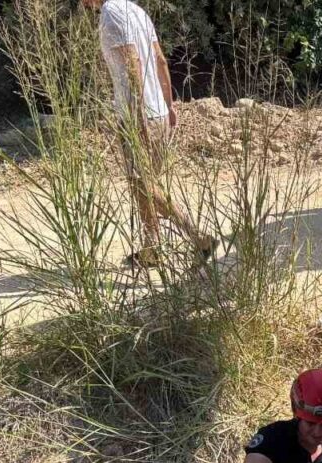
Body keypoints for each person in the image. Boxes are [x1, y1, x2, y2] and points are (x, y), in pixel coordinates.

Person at [83, 0, 214, 267]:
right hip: (158, 113)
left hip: (139, 116)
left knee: (145, 187)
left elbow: (133, 62)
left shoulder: (110, 13)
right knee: (142, 186)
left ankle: (199, 238)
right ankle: (152, 248)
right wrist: (168, 105)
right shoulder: (136, 11)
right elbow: (160, 60)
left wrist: (139, 118)